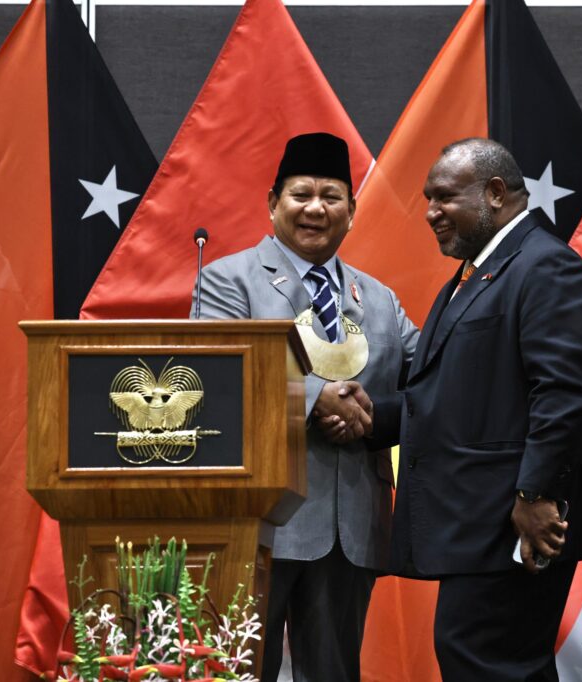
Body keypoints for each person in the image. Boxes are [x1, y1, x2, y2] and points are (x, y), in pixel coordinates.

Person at [359, 138, 582, 680]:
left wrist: (536, 495)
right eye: (428, 199)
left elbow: (563, 393)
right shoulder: (484, 271)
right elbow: (455, 397)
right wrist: (371, 417)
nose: (429, 213)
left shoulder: (545, 267)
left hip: (516, 518)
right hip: (481, 521)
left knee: (488, 662)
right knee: (491, 662)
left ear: (495, 193)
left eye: (444, 197)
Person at [193, 132, 418, 682]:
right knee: (239, 673)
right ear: (273, 203)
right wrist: (318, 398)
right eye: (300, 194)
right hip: (260, 519)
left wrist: (373, 417)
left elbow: (428, 380)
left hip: (352, 527)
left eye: (331, 195)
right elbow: (222, 377)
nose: (315, 207)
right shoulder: (227, 280)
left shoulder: (381, 299)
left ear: (351, 211)